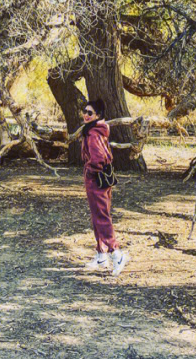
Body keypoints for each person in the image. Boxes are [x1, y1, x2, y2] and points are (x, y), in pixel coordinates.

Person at [80, 99, 129, 276]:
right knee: (98, 216)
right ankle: (101, 255)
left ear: (98, 115)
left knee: (101, 217)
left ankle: (117, 254)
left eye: (90, 113)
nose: (85, 115)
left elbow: (98, 158)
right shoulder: (96, 130)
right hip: (103, 179)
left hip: (96, 179)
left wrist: (89, 169)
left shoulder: (93, 133)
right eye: (84, 111)